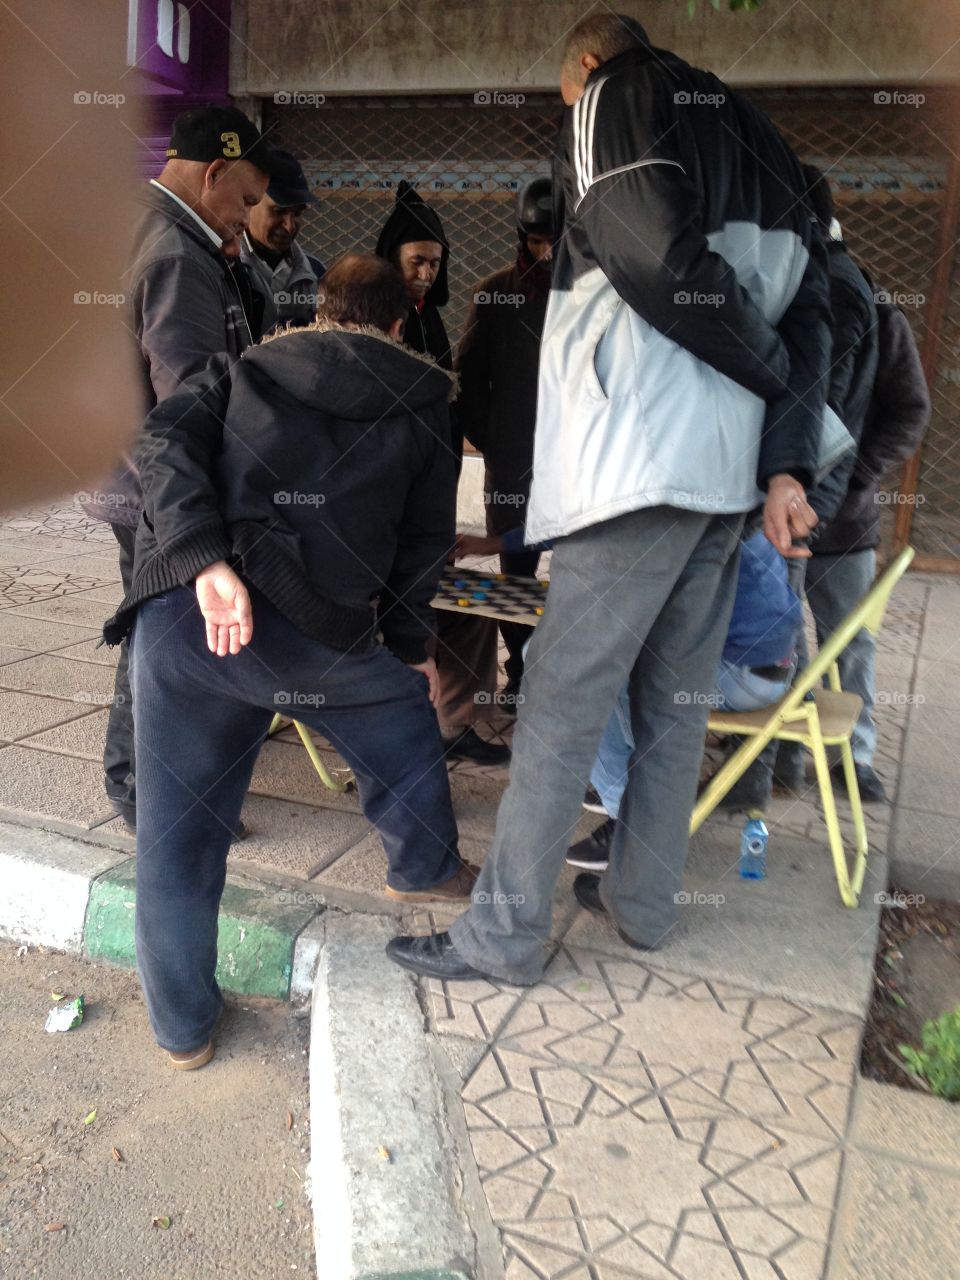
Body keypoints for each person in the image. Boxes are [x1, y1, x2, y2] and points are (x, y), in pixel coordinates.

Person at [385, 13, 826, 985]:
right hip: (723, 472)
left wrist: (756, 361)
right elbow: (818, 311)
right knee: (674, 698)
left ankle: (500, 935)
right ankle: (643, 906)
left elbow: (649, 252)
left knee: (559, 697)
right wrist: (782, 451)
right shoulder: (776, 147)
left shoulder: (618, 94)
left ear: (584, 65)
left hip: (635, 455)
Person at [102, 254, 476, 1069]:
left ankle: (183, 1033)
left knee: (175, 842)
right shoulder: (423, 403)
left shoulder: (237, 369)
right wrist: (410, 651)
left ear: (316, 310)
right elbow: (422, 549)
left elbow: (157, 441)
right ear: (400, 323)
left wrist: (205, 561)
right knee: (403, 714)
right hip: (313, 633)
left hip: (183, 618)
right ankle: (422, 867)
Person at [82, 104, 281, 833]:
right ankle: (143, 792)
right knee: (163, 636)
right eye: (247, 200)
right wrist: (199, 515)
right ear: (215, 173)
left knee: (155, 630)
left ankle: (147, 785)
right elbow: (188, 400)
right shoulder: (173, 252)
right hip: (157, 484)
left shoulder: (148, 228)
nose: (249, 216)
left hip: (128, 473)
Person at [729, 167, 882, 808]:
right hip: (802, 503)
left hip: (806, 508)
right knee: (781, 639)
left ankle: (767, 779)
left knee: (799, 641)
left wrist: (807, 502)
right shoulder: (833, 281)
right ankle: (773, 772)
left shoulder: (835, 289)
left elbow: (824, 407)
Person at [567, 531, 802, 868]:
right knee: (615, 663)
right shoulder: (732, 507)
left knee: (593, 678)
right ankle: (631, 785)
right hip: (771, 668)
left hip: (741, 677)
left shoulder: (691, 527)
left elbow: (651, 612)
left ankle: (630, 824)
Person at [376, 182, 507, 765]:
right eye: (416, 261)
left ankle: (453, 726)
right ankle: (403, 725)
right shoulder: (380, 322)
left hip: (432, 495)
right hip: (387, 509)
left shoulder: (428, 319)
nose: (427, 273)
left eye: (435, 262)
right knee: (419, 607)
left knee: (473, 609)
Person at [457, 177, 555, 707]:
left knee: (582, 561)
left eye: (556, 240)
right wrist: (491, 438)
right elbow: (469, 375)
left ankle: (564, 670)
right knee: (513, 574)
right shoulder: (493, 293)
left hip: (575, 460)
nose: (547, 251)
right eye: (537, 241)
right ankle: (520, 674)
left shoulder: (589, 291)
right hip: (513, 459)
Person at [241, 148, 325, 332]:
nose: (289, 226)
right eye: (278, 211)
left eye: (297, 213)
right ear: (249, 204)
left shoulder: (317, 274)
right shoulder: (223, 269)